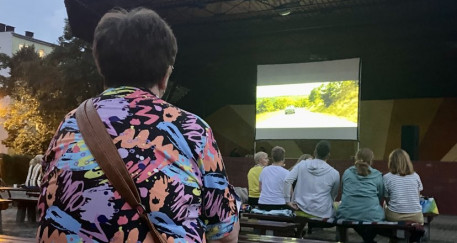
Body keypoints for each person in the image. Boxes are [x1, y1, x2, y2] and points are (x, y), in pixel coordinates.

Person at [36, 8, 239, 243]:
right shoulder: (192, 130)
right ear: (165, 76)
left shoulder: (69, 125)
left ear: (103, 68)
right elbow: (225, 232)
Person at [335, 148, 384, 243]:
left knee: (342, 214)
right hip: (372, 215)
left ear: (356, 158)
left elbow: (343, 190)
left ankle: (343, 240)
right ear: (371, 160)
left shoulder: (347, 173)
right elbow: (380, 196)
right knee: (375, 216)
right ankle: (368, 239)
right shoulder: (377, 175)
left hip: (347, 213)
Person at [284, 140, 340, 218]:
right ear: (328, 155)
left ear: (314, 152)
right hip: (322, 212)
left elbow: (287, 180)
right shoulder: (335, 173)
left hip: (301, 208)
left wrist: (287, 201)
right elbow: (333, 195)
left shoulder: (301, 164)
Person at [384, 149, 424, 224]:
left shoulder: (387, 177)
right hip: (416, 216)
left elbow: (387, 200)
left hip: (394, 216)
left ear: (391, 162)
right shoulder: (416, 176)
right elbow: (417, 197)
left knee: (384, 205)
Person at [258, 146, 289, 211]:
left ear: (272, 158)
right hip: (279, 204)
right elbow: (289, 192)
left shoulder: (264, 170)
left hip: (263, 203)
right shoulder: (286, 172)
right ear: (283, 158)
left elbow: (260, 189)